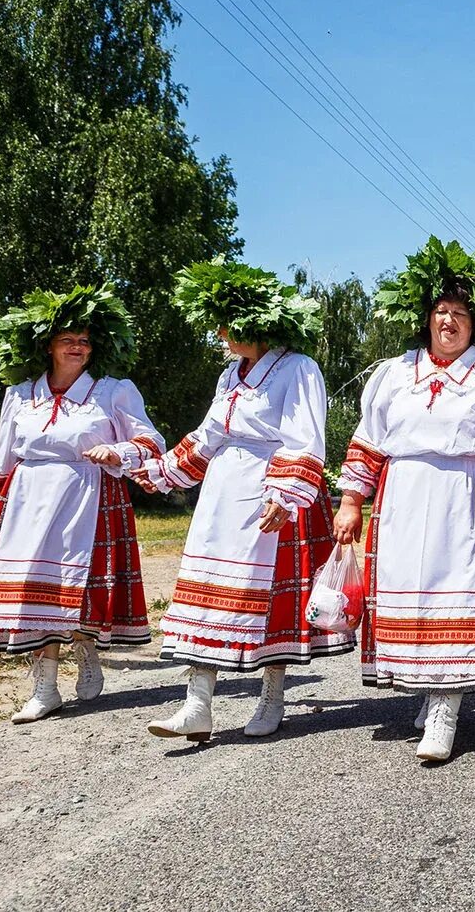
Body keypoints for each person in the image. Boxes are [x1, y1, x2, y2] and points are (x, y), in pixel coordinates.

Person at [135, 259, 350, 742]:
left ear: (257, 322)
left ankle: (272, 697)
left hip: (271, 492)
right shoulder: (231, 374)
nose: (220, 332)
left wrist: (286, 492)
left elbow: (305, 436)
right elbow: (208, 435)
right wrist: (155, 472)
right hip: (223, 495)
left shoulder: (298, 367)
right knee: (207, 593)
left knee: (271, 597)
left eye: (227, 322)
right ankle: (197, 705)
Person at [333, 237, 475, 762]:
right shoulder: (394, 372)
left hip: (464, 496)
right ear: (426, 318)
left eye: (460, 313)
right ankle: (428, 690)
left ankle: (445, 709)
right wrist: (352, 500)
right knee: (409, 592)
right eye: (441, 311)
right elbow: (369, 437)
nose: (449, 321)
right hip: (402, 495)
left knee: (455, 591)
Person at [0, 286, 162, 723]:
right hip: (27, 499)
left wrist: (118, 452)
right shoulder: (21, 393)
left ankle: (85, 646)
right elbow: (3, 454)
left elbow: (150, 440)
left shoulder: (113, 391)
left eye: (84, 340)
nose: (78, 347)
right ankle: (45, 689)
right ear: (48, 346)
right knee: (31, 591)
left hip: (88, 495)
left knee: (77, 583)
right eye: (68, 340)